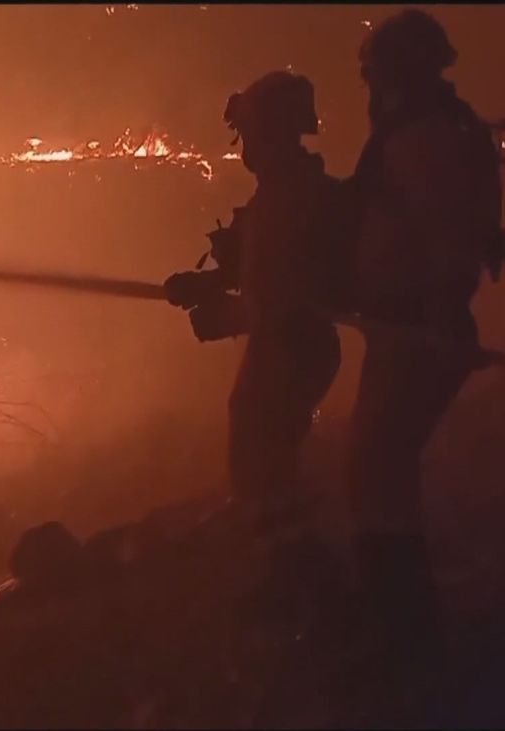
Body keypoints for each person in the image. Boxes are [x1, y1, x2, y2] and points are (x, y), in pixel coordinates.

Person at [346, 8, 505, 674]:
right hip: (406, 324)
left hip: (415, 327)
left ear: (399, 72)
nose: (369, 87)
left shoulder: (423, 140)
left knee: (377, 472)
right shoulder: (435, 132)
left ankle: (401, 633)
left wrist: (439, 318)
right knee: (376, 470)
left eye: (375, 73)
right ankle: (397, 624)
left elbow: (444, 238)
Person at [165, 71, 351, 552]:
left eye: (249, 132)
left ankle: (290, 568)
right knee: (264, 453)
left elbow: (291, 294)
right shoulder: (284, 192)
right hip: (291, 343)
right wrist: (207, 281)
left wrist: (230, 317)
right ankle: (283, 554)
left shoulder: (295, 198)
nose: (244, 144)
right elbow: (263, 268)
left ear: (273, 132)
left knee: (263, 458)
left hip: (294, 345)